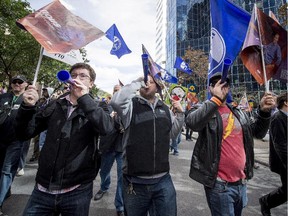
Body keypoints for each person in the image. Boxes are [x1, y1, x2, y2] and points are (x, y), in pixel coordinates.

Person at [14, 63, 113, 216]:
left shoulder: (98, 105)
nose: (76, 79)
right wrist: (27, 108)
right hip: (43, 189)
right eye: (73, 75)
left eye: (82, 76)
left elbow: (106, 128)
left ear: (91, 83)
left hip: (77, 190)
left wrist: (84, 99)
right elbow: (25, 133)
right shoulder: (55, 104)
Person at [185, 72, 275, 216]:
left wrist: (264, 112)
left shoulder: (238, 112)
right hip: (220, 185)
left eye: (225, 84)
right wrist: (215, 99)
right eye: (217, 84)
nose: (222, 87)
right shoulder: (202, 109)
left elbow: (258, 132)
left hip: (241, 183)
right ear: (210, 88)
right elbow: (192, 123)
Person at [110, 75, 185, 216]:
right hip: (135, 183)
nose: (147, 84)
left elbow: (171, 134)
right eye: (145, 81)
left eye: (151, 82)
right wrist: (137, 82)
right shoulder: (130, 106)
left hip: (163, 180)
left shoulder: (165, 109)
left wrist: (181, 115)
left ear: (157, 87)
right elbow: (116, 101)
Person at [0, 75, 29, 216]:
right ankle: (6, 190)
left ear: (26, 84)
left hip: (16, 141)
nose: (17, 84)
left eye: (20, 82)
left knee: (6, 171)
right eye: (14, 82)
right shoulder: (3, 97)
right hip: (1, 139)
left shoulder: (28, 100)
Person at [94, 84, 125, 216]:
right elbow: (104, 124)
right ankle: (103, 187)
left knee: (122, 177)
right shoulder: (105, 105)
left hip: (121, 147)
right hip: (107, 146)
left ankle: (120, 205)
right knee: (104, 171)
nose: (118, 93)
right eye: (116, 91)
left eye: (120, 91)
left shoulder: (127, 108)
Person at [259, 92, 287, 216]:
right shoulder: (277, 118)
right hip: (284, 162)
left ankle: (266, 201)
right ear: (285, 102)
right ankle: (266, 201)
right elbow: (280, 145)